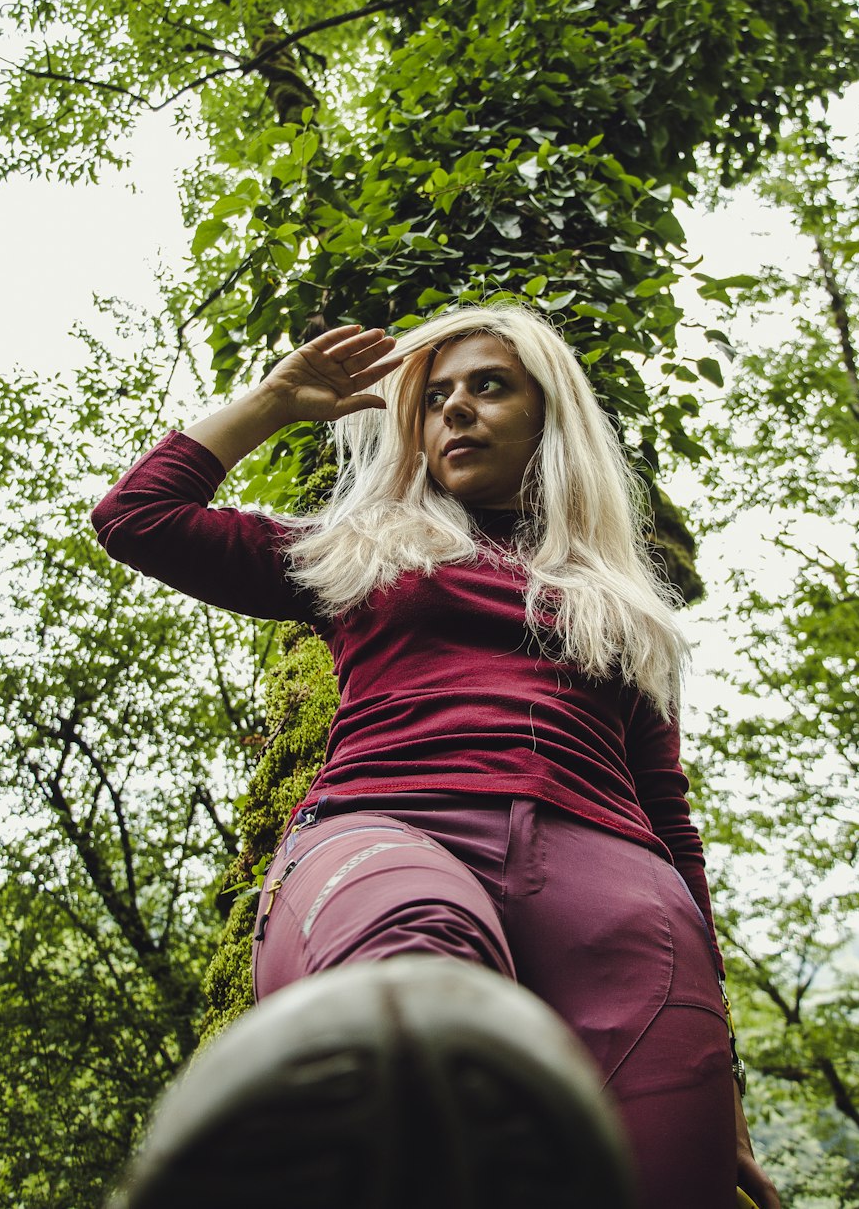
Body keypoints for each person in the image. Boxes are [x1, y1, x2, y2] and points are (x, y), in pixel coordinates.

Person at [92, 303, 781, 1209]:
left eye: (489, 385)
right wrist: (274, 401)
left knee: (661, 1176)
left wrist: (721, 1075)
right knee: (414, 976)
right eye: (434, 398)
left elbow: (670, 818)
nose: (454, 408)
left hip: (614, 888)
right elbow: (137, 516)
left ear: (551, 413)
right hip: (388, 829)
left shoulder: (626, 607)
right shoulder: (354, 552)